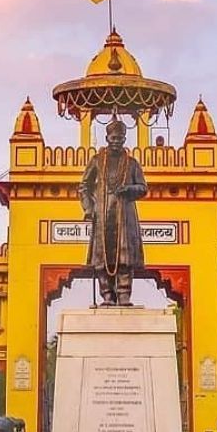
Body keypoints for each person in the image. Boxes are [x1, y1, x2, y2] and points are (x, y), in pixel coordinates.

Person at [78, 119, 148, 306]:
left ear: (125, 139)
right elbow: (84, 186)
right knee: (101, 258)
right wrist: (88, 208)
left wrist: (129, 189)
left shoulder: (132, 163)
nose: (117, 141)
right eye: (114, 137)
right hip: (102, 214)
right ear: (107, 137)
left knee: (125, 257)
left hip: (124, 214)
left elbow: (143, 188)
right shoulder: (96, 161)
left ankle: (124, 295)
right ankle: (107, 296)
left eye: (121, 138)